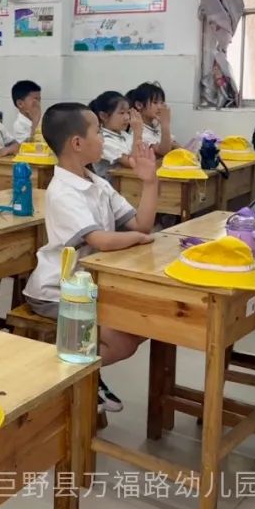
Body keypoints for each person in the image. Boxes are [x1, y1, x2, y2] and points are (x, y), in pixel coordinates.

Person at [23, 102, 157, 412]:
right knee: (122, 340)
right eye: (98, 131)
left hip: (92, 286)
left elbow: (141, 223)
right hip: (58, 290)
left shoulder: (98, 184)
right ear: (77, 143)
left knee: (141, 326)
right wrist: (139, 239)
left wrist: (149, 182)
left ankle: (82, 375)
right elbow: (101, 240)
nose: (104, 138)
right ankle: (59, 380)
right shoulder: (63, 191)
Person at [90, 90, 143, 180]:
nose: (127, 118)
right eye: (122, 113)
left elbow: (142, 158)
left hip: (130, 182)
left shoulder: (124, 135)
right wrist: (138, 133)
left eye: (128, 113)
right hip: (112, 188)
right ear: (104, 116)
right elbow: (133, 163)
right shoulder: (103, 140)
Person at [127, 82, 174, 155]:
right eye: (155, 102)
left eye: (161, 103)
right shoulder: (137, 130)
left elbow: (173, 143)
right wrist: (165, 125)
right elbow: (164, 151)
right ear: (139, 105)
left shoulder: (155, 125)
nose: (159, 107)